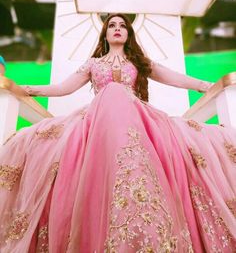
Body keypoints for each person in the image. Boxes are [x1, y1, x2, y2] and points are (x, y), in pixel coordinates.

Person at [0, 13, 235, 252]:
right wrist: (27, 88)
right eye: (112, 25)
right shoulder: (93, 63)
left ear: (128, 34)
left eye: (123, 26)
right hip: (98, 121)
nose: (117, 28)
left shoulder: (138, 61)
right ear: (105, 34)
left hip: (133, 117)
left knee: (119, 94)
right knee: (110, 93)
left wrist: (204, 86)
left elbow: (172, 77)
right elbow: (64, 88)